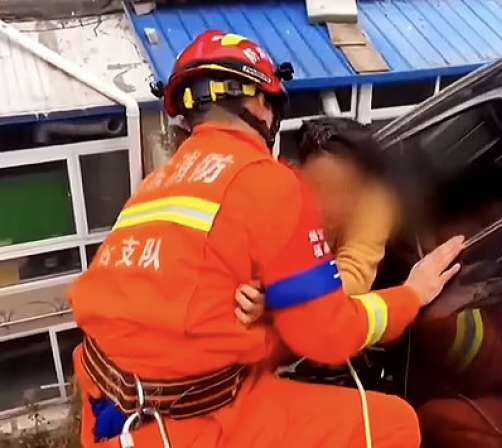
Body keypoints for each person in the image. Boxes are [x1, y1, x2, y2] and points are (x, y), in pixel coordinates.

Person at [69, 30, 463, 448]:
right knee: (393, 423)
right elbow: (328, 336)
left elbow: (182, 300)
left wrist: (269, 313)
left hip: (109, 414)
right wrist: (411, 295)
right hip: (190, 422)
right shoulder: (268, 183)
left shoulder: (154, 186)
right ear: (260, 102)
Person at [234, 118, 399, 328]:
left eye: (341, 190)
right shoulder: (278, 196)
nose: (327, 204)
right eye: (316, 188)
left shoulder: (374, 205)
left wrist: (278, 297)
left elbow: (353, 275)